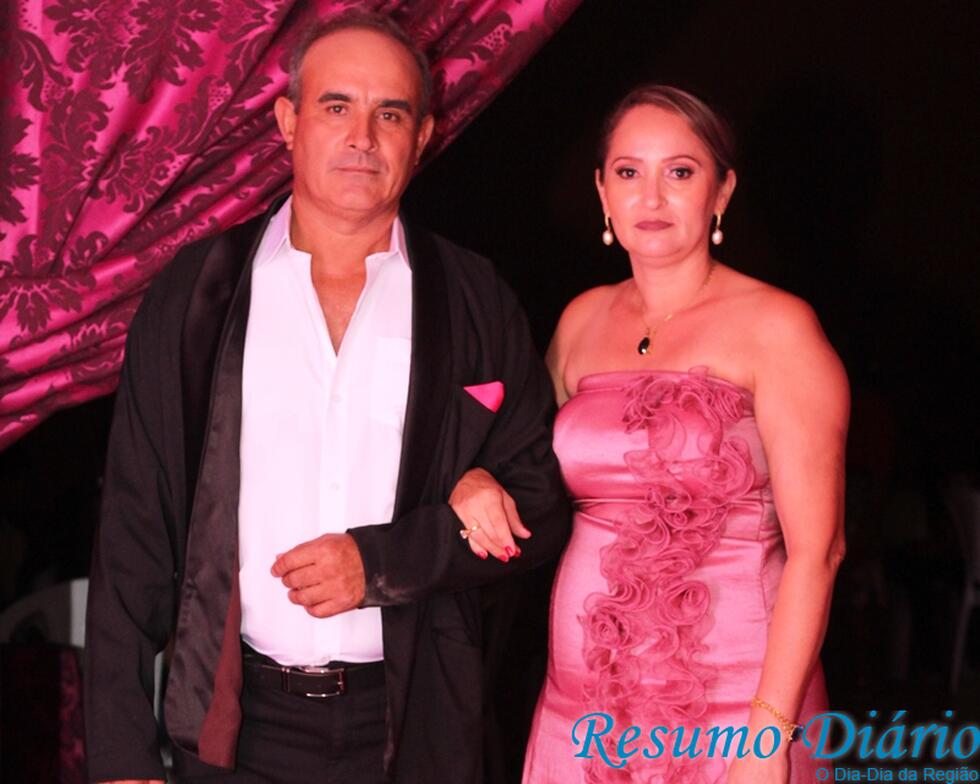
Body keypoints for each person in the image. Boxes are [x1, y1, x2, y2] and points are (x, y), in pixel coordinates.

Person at [83, 11, 569, 784]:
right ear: (288, 122)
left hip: (417, 728)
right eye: (337, 106)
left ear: (423, 135)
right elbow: (133, 528)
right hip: (238, 729)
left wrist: (381, 563)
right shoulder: (198, 294)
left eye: (391, 114)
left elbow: (539, 508)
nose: (362, 137)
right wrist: (119, 754)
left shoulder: (473, 298)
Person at [471, 85, 849, 783]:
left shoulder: (779, 328)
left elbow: (817, 553)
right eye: (628, 172)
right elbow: (523, 463)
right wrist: (475, 479)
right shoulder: (581, 320)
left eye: (679, 171)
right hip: (583, 705)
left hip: (735, 710)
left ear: (722, 191)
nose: (651, 196)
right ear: (602, 192)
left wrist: (768, 736)